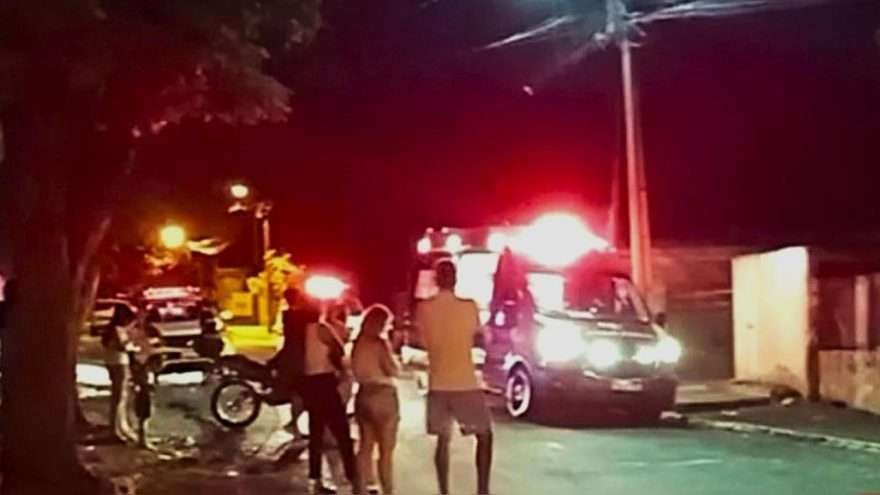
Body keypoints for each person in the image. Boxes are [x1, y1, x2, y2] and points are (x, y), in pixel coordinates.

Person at [415, 259, 493, 495]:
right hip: (464, 382)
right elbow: (478, 337)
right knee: (484, 436)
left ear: (435, 279)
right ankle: (482, 490)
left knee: (443, 440)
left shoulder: (424, 309)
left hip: (438, 382)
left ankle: (444, 491)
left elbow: (424, 341)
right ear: (456, 279)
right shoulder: (469, 307)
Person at [298, 293, 360, 494]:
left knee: (315, 433)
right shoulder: (321, 328)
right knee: (342, 433)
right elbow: (338, 351)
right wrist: (341, 370)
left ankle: (315, 480)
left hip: (308, 383)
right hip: (325, 382)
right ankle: (353, 477)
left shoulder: (299, 331)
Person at [351, 305, 400, 495]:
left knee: (365, 448)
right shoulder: (379, 343)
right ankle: (387, 490)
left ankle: (360, 489)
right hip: (383, 396)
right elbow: (392, 370)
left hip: (363, 395)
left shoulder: (357, 343)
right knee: (386, 452)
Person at [102, 302, 138, 443]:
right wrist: (133, 346)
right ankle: (115, 429)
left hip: (113, 362)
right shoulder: (117, 330)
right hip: (119, 363)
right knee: (119, 397)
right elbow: (122, 346)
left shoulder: (112, 329)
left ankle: (121, 427)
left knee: (121, 396)